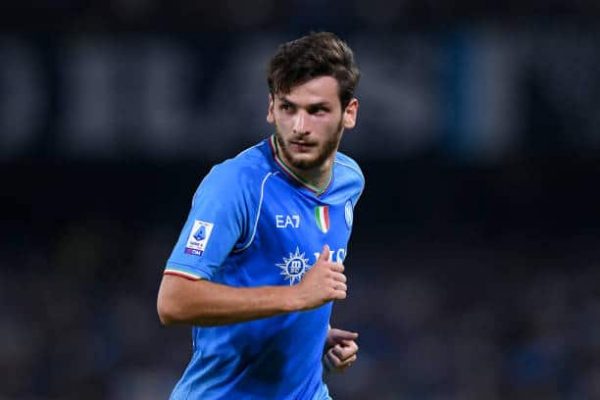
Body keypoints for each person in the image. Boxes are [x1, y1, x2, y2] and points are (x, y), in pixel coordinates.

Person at [157, 31, 364, 400]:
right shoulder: (236, 185)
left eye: (317, 110)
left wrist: (314, 334)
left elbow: (289, 276)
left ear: (348, 113)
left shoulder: (349, 180)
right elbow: (174, 301)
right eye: (288, 108)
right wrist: (297, 299)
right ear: (271, 108)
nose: (300, 127)